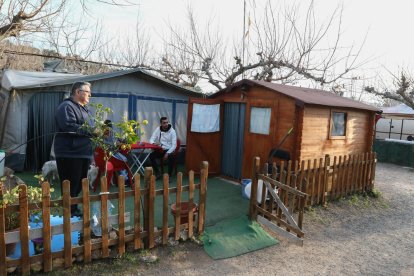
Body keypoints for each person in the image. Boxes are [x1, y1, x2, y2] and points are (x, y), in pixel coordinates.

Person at [54, 81, 93, 217]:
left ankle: (73, 210)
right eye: (87, 92)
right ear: (78, 92)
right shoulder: (66, 106)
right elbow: (68, 126)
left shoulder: (84, 109)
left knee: (79, 184)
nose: (90, 95)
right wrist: (92, 131)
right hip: (70, 153)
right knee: (70, 185)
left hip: (83, 153)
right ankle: (69, 213)